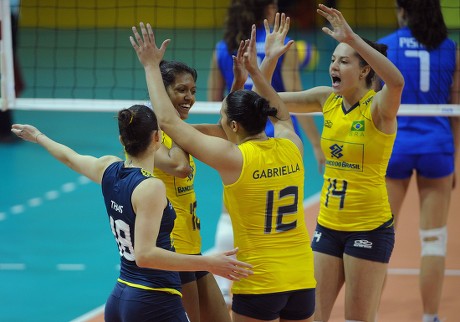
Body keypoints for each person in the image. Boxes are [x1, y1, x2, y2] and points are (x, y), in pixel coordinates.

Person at [130, 13, 316, 322]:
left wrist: (150, 65)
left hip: (259, 279)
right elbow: (275, 113)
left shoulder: (233, 158)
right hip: (301, 277)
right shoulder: (291, 145)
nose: (190, 97)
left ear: (232, 125)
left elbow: (170, 124)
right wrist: (257, 70)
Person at [10, 105, 253, 322]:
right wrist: (209, 262)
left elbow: (71, 158)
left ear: (121, 139)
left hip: (120, 296)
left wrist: (39, 137)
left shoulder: (108, 168)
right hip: (154, 300)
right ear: (157, 138)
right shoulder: (151, 186)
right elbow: (146, 255)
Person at [273, 4, 405, 321]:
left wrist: (353, 39)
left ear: (364, 70)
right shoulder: (325, 99)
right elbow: (266, 100)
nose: (334, 65)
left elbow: (397, 82)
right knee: (311, 316)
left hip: (369, 228)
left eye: (344, 61)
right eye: (333, 59)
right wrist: (268, 60)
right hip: (328, 226)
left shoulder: (378, 108)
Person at [207, 0, 324, 305]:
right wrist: (314, 142)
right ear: (266, 11)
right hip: (275, 137)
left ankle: (223, 285)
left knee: (229, 210)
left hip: (237, 133)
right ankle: (268, 273)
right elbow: (291, 108)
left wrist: (224, 131)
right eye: (273, 6)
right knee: (274, 214)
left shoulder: (223, 46)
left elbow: (212, 99)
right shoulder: (283, 46)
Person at [377, 1, 460, 321]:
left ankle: (367, 313)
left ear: (402, 11)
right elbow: (455, 108)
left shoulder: (385, 46)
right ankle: (430, 316)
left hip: (394, 147)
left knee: (380, 238)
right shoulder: (450, 48)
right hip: (437, 148)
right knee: (434, 240)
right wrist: (452, 155)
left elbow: (375, 104)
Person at [153, 60, 233, 322]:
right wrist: (176, 126)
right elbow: (179, 167)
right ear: (162, 92)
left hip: (192, 248)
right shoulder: (148, 136)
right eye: (181, 90)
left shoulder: (183, 132)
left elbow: (228, 131)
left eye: (193, 91)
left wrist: (239, 82)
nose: (189, 97)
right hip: (171, 250)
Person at [0, 0, 25, 143]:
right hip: (5, 18)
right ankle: (3, 129)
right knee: (6, 72)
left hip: (9, 16)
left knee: (7, 73)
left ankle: (4, 127)